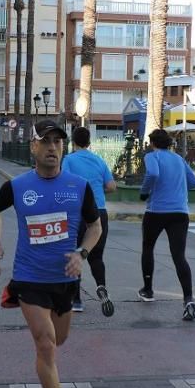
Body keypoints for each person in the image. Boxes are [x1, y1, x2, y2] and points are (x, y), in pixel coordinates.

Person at [0, 119, 101, 388]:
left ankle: (47, 370)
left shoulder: (79, 186)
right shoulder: (19, 186)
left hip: (66, 281)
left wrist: (82, 253)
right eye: (45, 141)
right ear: (33, 148)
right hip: (29, 278)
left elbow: (95, 227)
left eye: (58, 142)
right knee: (46, 345)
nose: (53, 147)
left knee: (59, 339)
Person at [138, 128, 195, 322]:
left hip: (156, 211)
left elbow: (153, 174)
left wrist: (144, 191)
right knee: (178, 256)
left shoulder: (152, 156)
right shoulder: (179, 159)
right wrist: (177, 188)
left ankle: (148, 290)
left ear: (152, 143)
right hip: (180, 212)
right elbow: (194, 182)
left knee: (148, 248)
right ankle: (188, 299)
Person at [61, 126, 117, 316]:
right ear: (89, 142)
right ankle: (101, 287)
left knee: (75, 254)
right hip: (99, 211)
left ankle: (76, 300)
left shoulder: (68, 160)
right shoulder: (99, 160)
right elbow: (111, 186)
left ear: (73, 142)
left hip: (77, 212)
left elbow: (63, 181)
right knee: (96, 256)